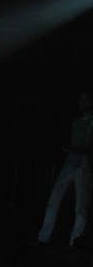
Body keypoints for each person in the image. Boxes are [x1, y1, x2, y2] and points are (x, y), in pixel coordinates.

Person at [37, 90, 93, 247]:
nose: (81, 103)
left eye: (85, 99)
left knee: (81, 205)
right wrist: (70, 148)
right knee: (54, 199)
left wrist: (77, 149)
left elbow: (88, 146)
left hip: (85, 163)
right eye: (80, 99)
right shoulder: (76, 121)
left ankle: (75, 242)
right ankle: (43, 237)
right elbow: (74, 141)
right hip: (71, 160)